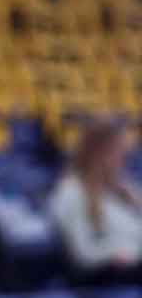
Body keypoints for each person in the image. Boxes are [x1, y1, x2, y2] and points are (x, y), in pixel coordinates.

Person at [48, 117, 142, 282]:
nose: (122, 159)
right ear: (97, 152)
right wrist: (118, 253)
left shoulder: (125, 190)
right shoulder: (72, 192)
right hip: (109, 278)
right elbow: (84, 254)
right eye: (117, 151)